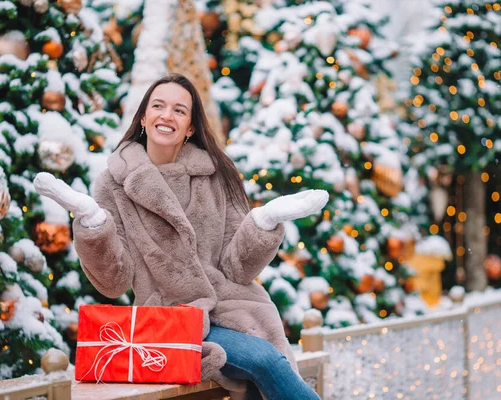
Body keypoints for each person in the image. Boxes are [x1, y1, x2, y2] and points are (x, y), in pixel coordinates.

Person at [34, 73, 327, 400]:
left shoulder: (215, 175)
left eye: (179, 110)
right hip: (168, 324)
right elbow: (114, 282)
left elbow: (237, 269)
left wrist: (264, 221)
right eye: (158, 106)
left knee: (264, 366)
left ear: (190, 127)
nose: (166, 115)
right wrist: (93, 224)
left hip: (234, 309)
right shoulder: (113, 184)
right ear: (144, 117)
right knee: (263, 359)